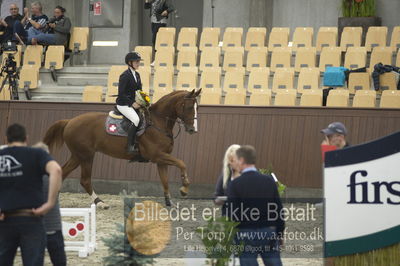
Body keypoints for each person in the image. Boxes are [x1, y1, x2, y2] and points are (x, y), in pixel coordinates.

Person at [0, 124, 62, 266]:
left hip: (5, 219)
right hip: (31, 217)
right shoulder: (36, 154)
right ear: (26, 138)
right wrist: (50, 203)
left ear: (6, 139)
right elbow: (56, 170)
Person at [227, 145, 284, 266]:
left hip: (245, 233)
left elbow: (231, 213)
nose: (235, 163)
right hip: (268, 232)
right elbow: (278, 209)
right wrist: (279, 233)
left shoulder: (235, 184)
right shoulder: (269, 181)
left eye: (236, 160)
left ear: (242, 160)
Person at [32, 142, 66, 266]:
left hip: (34, 228)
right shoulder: (53, 176)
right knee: (59, 261)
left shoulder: (29, 177)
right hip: (53, 226)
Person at [116, 52, 143, 153]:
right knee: (136, 120)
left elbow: (139, 91)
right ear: (129, 62)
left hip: (135, 103)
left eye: (139, 61)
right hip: (124, 104)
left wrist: (143, 101)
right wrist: (132, 103)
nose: (138, 63)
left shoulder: (137, 75)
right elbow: (121, 94)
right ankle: (130, 146)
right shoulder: (125, 75)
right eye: (136, 61)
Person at [214, 144, 241, 215]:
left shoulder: (248, 176)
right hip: (228, 216)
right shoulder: (225, 176)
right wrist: (227, 199)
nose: (230, 163)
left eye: (233, 160)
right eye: (229, 160)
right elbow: (216, 198)